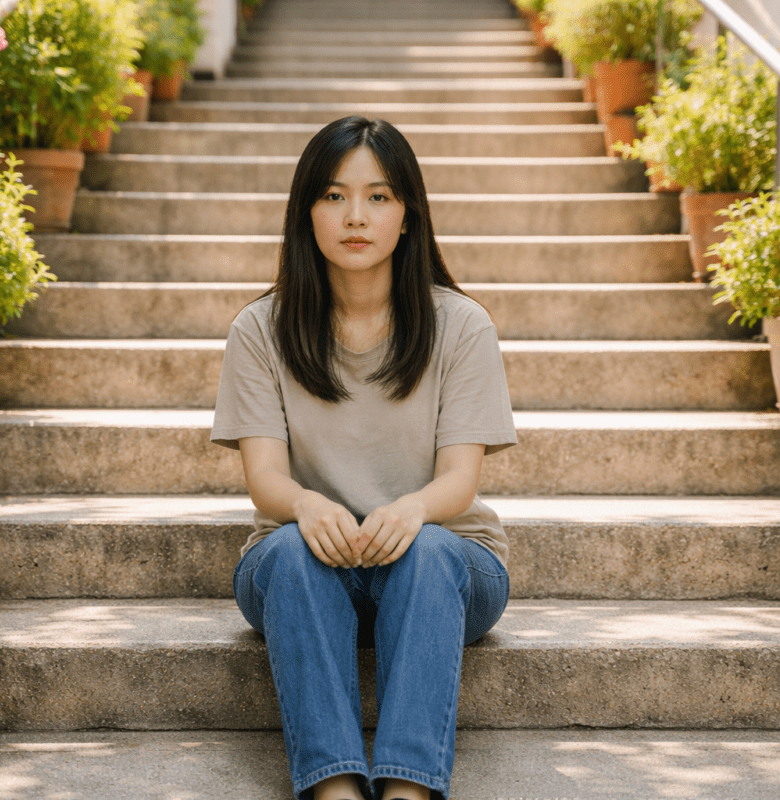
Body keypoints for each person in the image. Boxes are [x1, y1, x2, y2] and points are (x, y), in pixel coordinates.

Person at [211, 116, 517, 800]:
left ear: (408, 215)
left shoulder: (462, 326)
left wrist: (409, 512)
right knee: (289, 551)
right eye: (332, 195)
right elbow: (265, 481)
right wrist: (308, 505)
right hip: (305, 569)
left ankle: (408, 789)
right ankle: (335, 789)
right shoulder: (259, 329)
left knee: (430, 552)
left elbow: (460, 483)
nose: (356, 216)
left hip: (448, 568)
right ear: (306, 213)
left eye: (379, 197)